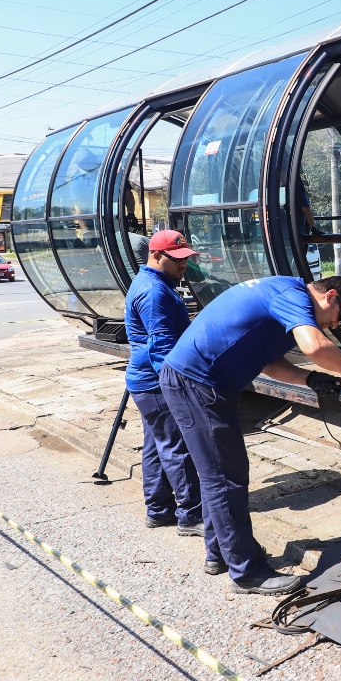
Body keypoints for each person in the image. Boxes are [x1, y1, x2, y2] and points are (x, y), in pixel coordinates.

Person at [159, 275, 341, 595]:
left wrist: (310, 379)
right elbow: (314, 345)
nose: (335, 326)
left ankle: (219, 553)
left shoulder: (283, 296)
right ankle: (247, 572)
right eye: (340, 317)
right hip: (198, 383)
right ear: (329, 296)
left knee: (223, 474)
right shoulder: (295, 295)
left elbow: (268, 362)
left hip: (201, 383)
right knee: (224, 478)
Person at [123, 230, 204, 537]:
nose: (183, 265)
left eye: (186, 258)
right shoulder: (155, 292)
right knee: (176, 448)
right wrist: (179, 387)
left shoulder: (151, 283)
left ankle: (158, 510)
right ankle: (191, 515)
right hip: (157, 383)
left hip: (146, 381)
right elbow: (162, 348)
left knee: (157, 446)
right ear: (156, 256)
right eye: (177, 259)